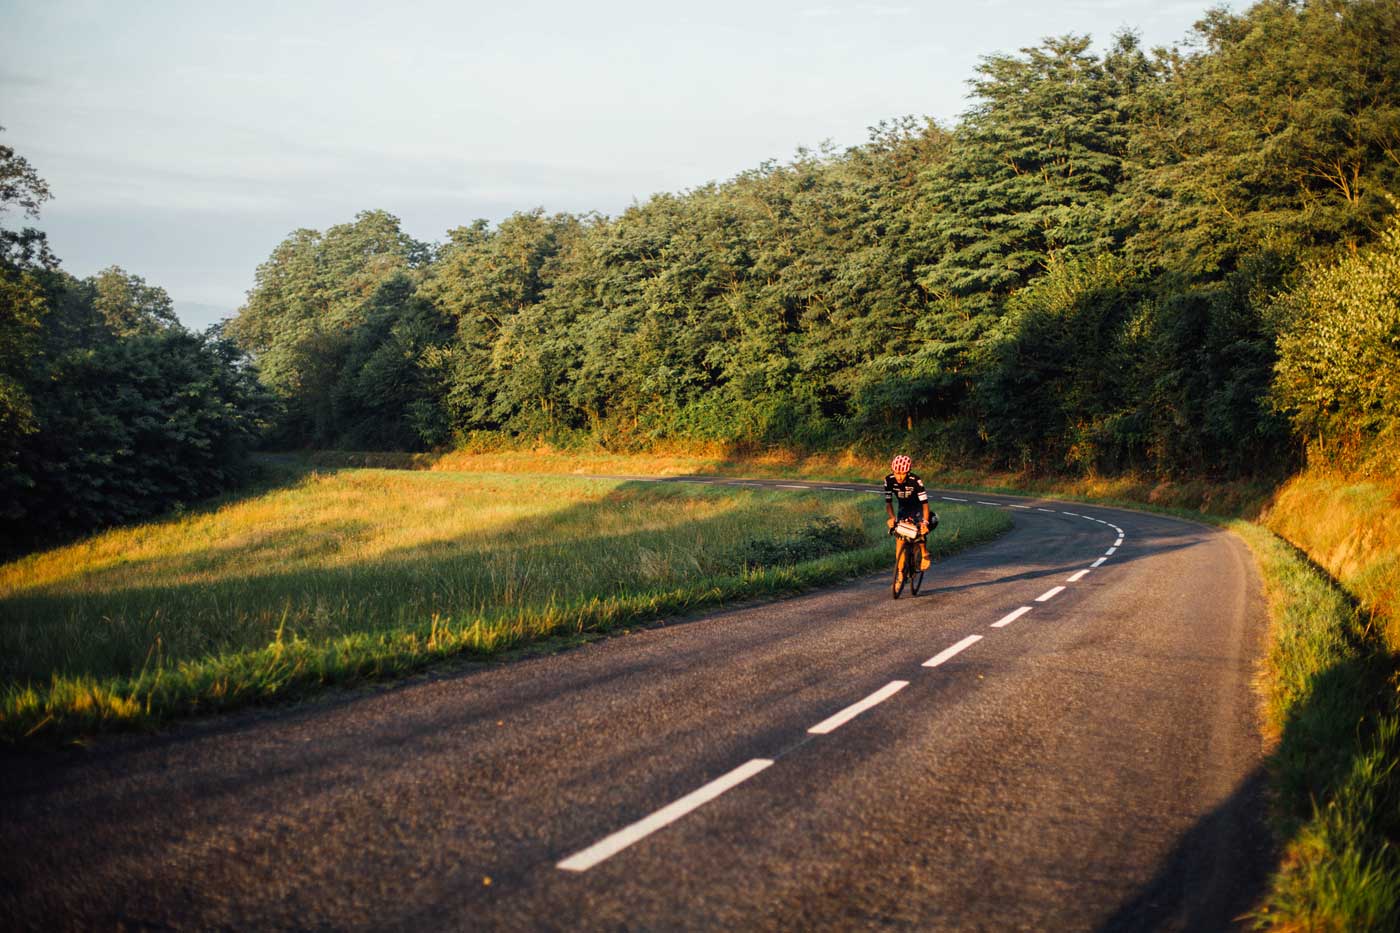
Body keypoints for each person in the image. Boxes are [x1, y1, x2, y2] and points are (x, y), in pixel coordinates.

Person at [884, 454, 935, 571]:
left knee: (920, 532)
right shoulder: (888, 480)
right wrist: (892, 518)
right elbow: (888, 503)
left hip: (918, 508)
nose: (899, 476)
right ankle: (900, 574)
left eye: (902, 473)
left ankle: (924, 553)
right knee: (899, 540)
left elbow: (925, 505)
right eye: (896, 473)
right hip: (903, 508)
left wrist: (925, 522)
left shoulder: (916, 481)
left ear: (908, 472)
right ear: (893, 471)